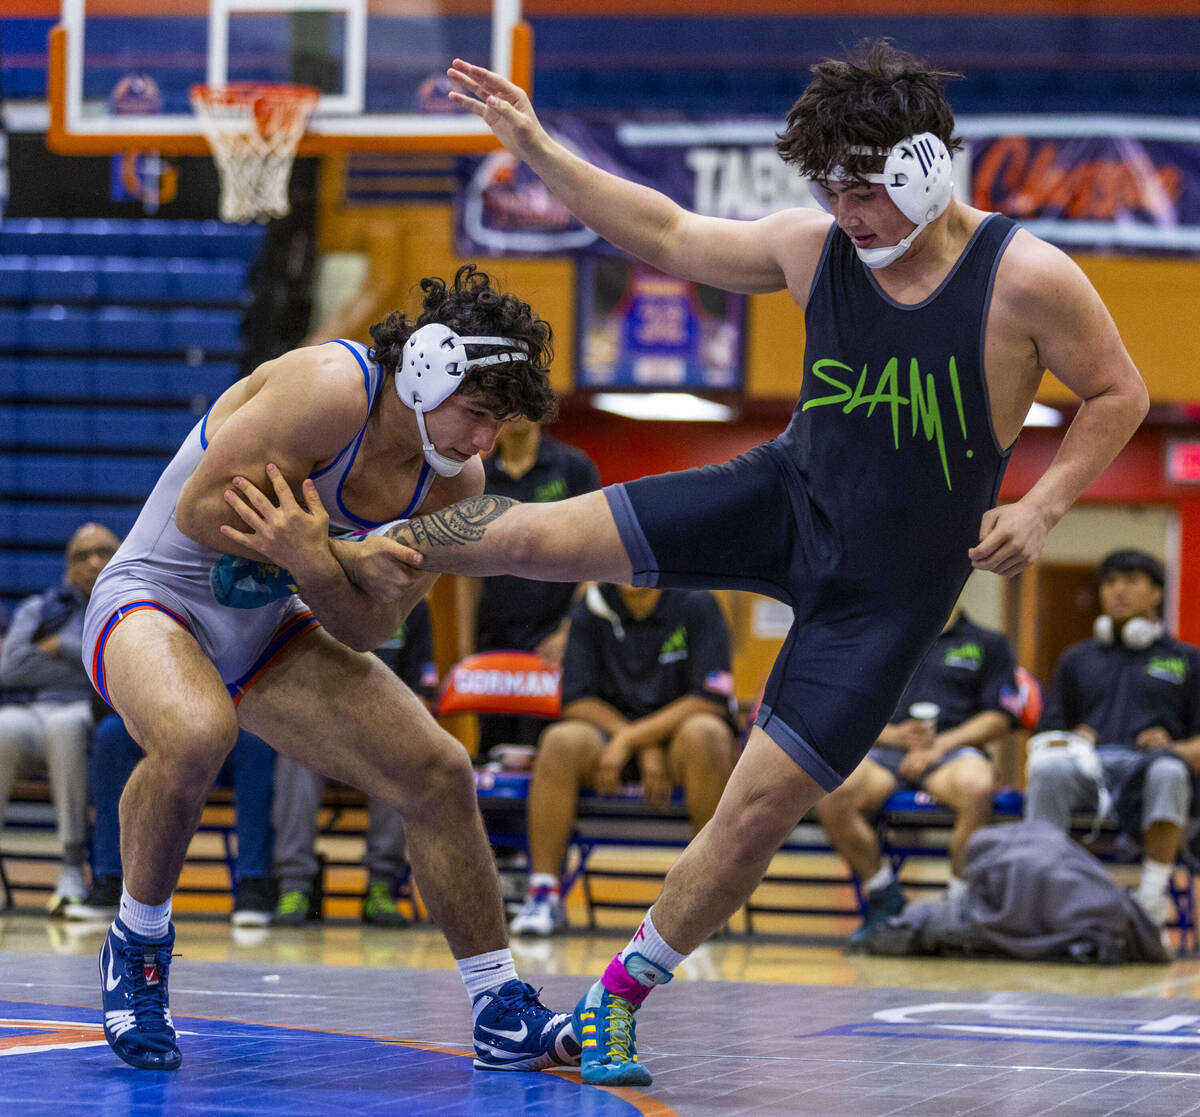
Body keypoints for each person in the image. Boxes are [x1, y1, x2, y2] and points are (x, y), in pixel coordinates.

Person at [222, 41, 1149, 1086]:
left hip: (888, 598)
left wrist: (1042, 504)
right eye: (832, 188)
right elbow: (662, 230)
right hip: (781, 499)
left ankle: (616, 998)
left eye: (867, 189)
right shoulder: (815, 247)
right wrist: (534, 145)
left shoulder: (1026, 278)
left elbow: (1120, 394)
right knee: (537, 532)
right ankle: (335, 548)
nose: (848, 212)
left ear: (930, 170)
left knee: (754, 815)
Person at [80, 264, 581, 1074]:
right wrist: (338, 550)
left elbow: (361, 625)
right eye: (479, 414)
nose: (485, 441)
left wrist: (318, 565)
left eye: (501, 422)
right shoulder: (327, 387)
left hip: (272, 623)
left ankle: (498, 1006)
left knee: (439, 769)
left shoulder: (456, 480)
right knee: (198, 732)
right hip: (155, 594)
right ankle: (137, 942)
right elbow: (200, 510)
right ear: (426, 370)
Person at [510, 582, 736, 936]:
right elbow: (576, 701)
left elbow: (708, 699)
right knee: (559, 741)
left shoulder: (698, 604)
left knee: (707, 734)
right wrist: (634, 744)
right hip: (608, 743)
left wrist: (637, 738)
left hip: (677, 742)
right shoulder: (592, 606)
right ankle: (543, 893)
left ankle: (706, 897)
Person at [816, 603, 1019, 947]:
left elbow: (999, 718)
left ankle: (958, 909)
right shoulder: (879, 635)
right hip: (885, 750)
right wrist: (891, 736)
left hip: (952, 752)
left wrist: (940, 745)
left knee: (978, 786)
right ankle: (883, 895)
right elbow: (843, 704)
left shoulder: (988, 643)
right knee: (831, 789)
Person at [1024, 548, 1200, 929]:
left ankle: (1152, 902)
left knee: (1170, 771)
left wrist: (1175, 748)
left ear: (1156, 593)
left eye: (1131, 581)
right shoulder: (1077, 658)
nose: (1118, 590)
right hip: (1090, 767)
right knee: (1048, 768)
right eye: (1110, 582)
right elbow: (1047, 733)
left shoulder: (1187, 659)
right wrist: (1071, 739)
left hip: (1152, 768)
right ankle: (1042, 896)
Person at [272, 597, 438, 928]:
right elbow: (290, 687)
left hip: (383, 732)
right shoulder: (310, 598)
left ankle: (380, 886)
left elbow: (421, 694)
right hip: (321, 731)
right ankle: (294, 886)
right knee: (293, 756)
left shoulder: (413, 607)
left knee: (402, 754)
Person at [65, 704, 276, 927]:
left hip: (233, 719)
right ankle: (110, 880)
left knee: (256, 740)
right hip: (159, 718)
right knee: (112, 732)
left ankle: (254, 881)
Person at [0, 523, 119, 914]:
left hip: (88, 711)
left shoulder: (125, 605)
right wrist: (86, 661)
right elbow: (11, 667)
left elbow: (117, 667)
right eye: (82, 556)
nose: (94, 562)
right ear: (67, 567)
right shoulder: (41, 607)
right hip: (34, 709)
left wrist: (63, 648)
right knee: (4, 728)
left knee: (65, 728)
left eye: (102, 551)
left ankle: (71, 865)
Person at [466, 417, 601, 754]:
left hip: (552, 638)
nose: (513, 412)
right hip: (493, 638)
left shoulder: (573, 468)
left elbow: (596, 558)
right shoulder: (478, 476)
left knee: (544, 749)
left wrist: (569, 630)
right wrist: (467, 642)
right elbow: (467, 575)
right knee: (492, 751)